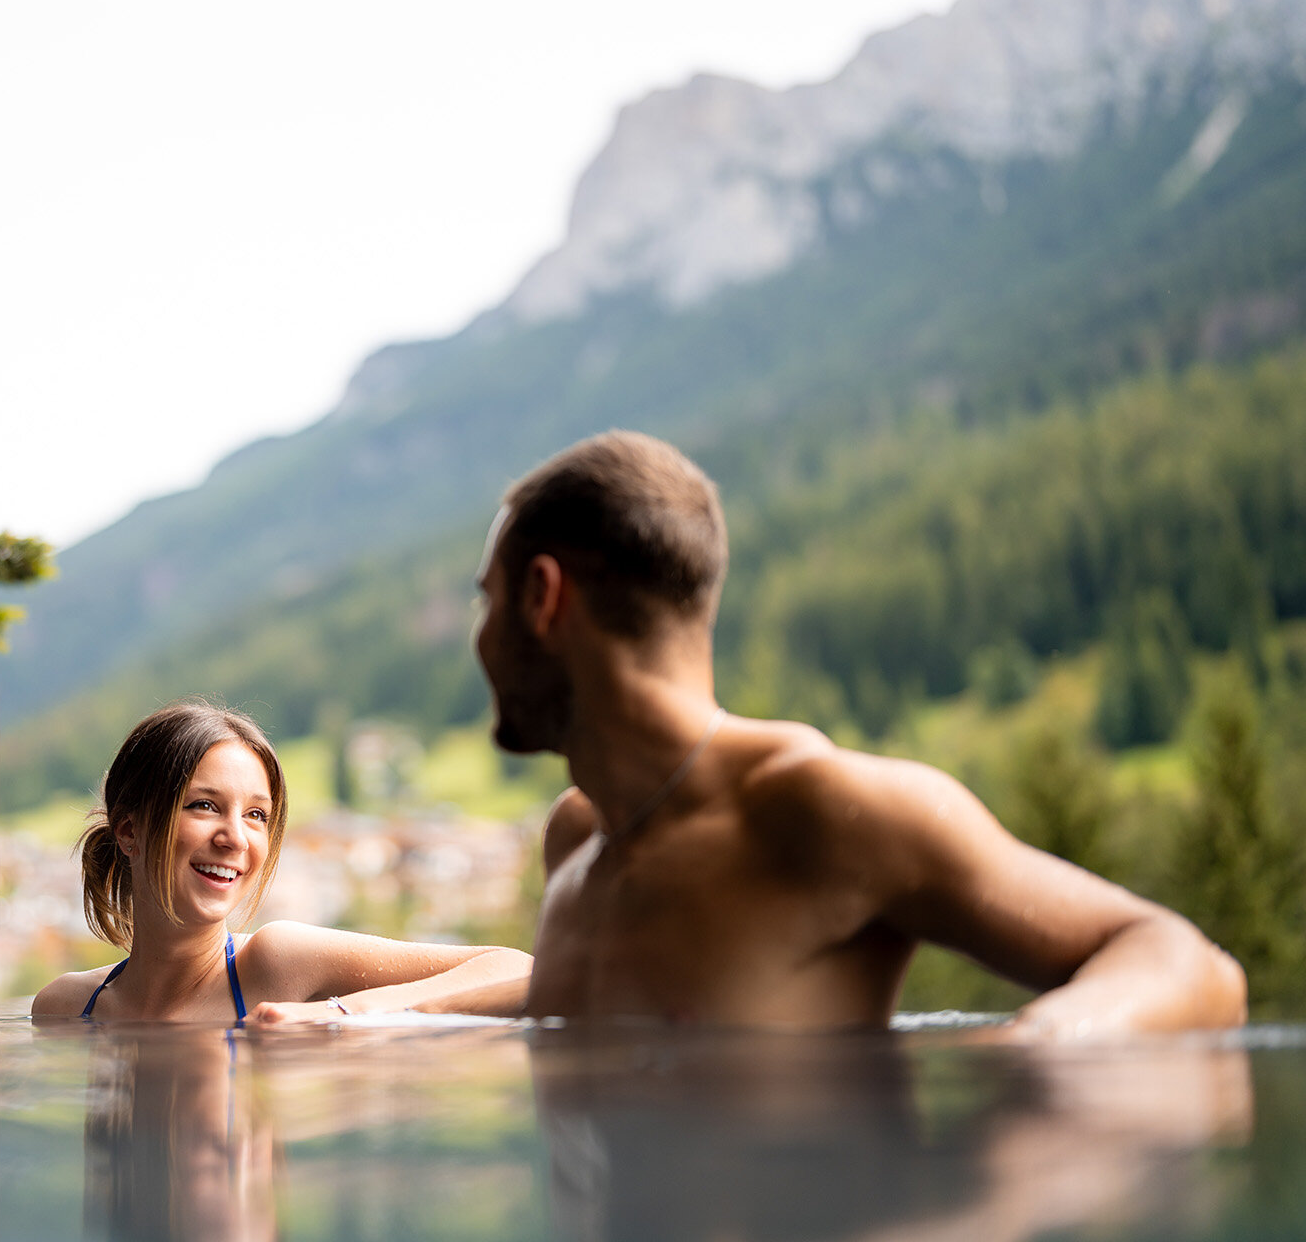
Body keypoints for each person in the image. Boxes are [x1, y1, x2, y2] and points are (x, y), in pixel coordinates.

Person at [414, 430, 1246, 1037]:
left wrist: (1039, 1054)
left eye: (489, 600)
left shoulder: (818, 809)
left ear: (544, 597)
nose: (480, 639)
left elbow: (1189, 962)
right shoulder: (579, 840)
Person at [31, 700, 531, 1023]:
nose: (236, 839)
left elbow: (515, 967)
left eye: (256, 815)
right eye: (204, 805)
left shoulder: (275, 965)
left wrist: (348, 1013)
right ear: (129, 831)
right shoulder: (64, 1009)